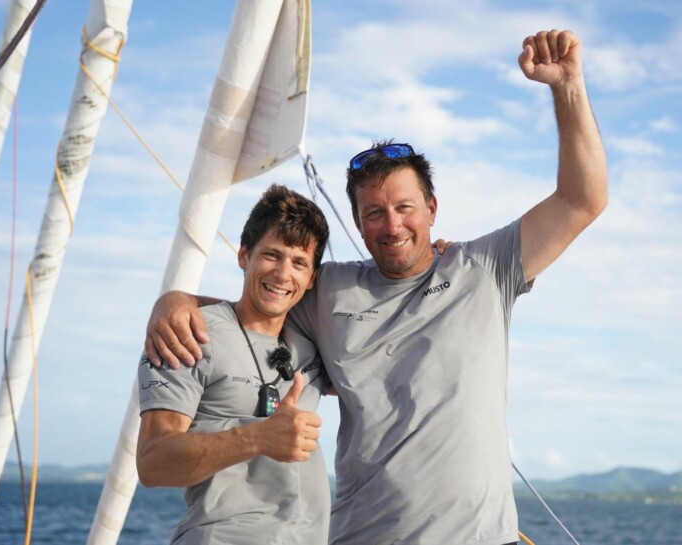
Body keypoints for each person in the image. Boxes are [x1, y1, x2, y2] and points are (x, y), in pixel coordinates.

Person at [145, 29, 607, 545]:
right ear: (359, 224)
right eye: (374, 213)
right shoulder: (330, 290)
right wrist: (179, 301)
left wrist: (567, 87)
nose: (392, 225)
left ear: (431, 209)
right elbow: (264, 301)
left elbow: (581, 200)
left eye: (405, 208)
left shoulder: (485, 268)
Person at [136, 184, 332, 544]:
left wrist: (440, 256)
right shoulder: (187, 333)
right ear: (244, 255)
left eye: (299, 263)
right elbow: (152, 462)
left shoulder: (312, 342)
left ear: (311, 279)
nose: (283, 274)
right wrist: (258, 437)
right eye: (272, 255)